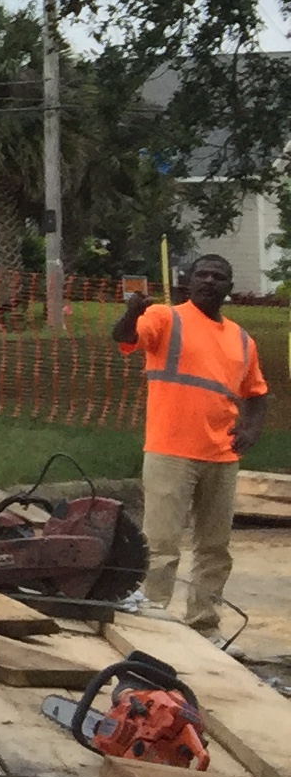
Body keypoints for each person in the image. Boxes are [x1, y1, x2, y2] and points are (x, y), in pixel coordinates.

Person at [113, 253, 270, 629]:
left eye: (219, 276)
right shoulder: (166, 318)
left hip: (221, 455)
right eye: (203, 274)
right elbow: (124, 337)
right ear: (189, 281)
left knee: (214, 549)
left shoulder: (241, 340)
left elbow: (258, 393)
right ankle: (152, 621)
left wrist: (250, 429)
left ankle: (204, 624)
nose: (210, 281)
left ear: (229, 288)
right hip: (170, 452)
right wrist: (132, 312)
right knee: (160, 545)